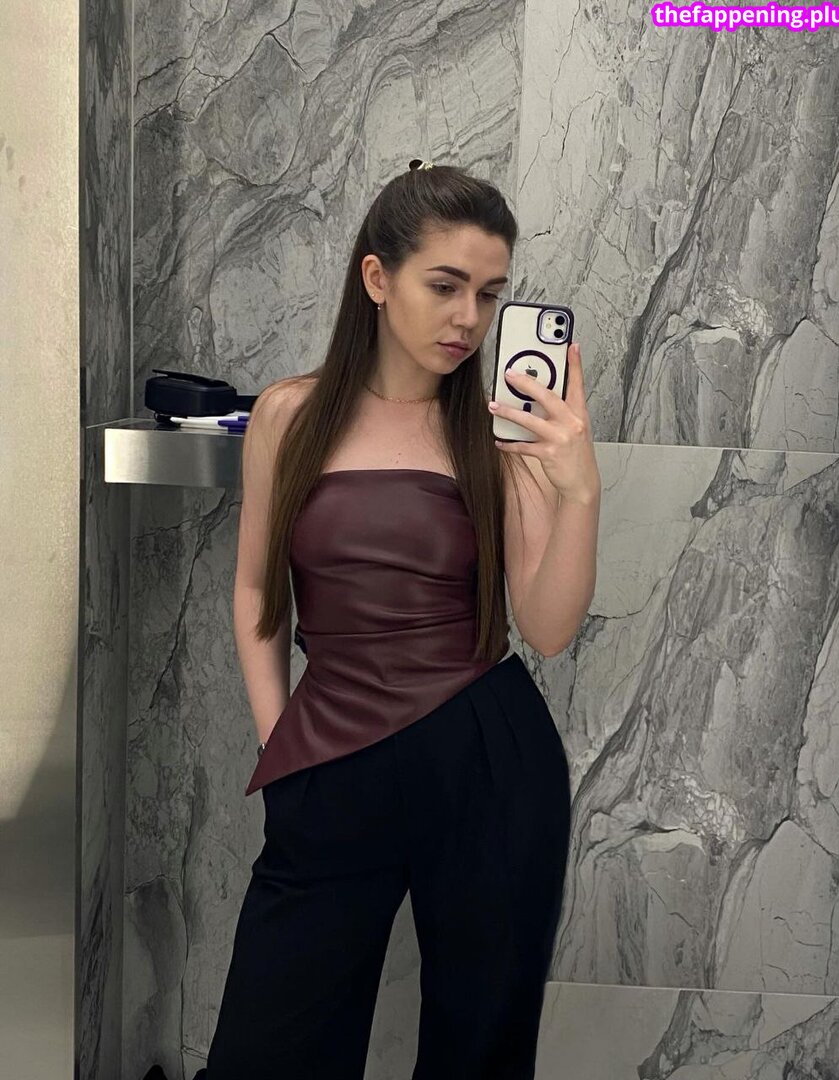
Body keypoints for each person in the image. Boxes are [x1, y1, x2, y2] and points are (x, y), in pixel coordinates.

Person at [194, 159, 600, 1079]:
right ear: (377, 278)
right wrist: (278, 740)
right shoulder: (290, 416)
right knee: (270, 1051)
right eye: (445, 285)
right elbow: (257, 591)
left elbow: (547, 629)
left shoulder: (498, 437)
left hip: (488, 760)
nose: (469, 318)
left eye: (490, 294)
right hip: (330, 756)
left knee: (478, 1053)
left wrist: (579, 491)